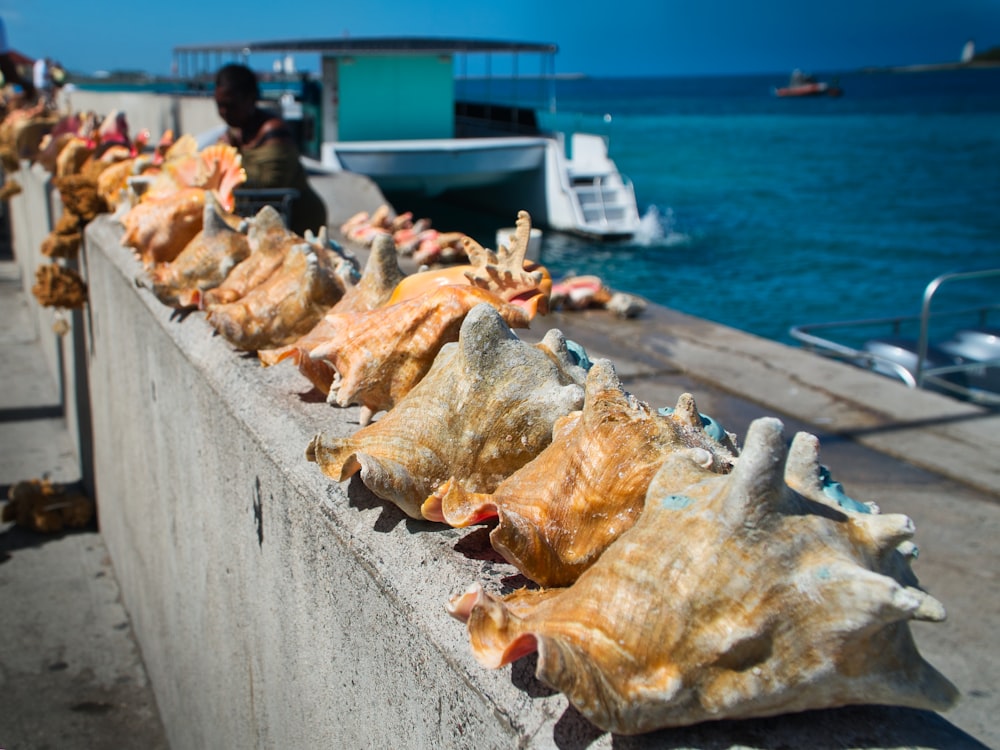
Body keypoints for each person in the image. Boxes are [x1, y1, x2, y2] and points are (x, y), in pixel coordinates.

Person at [213, 63, 326, 236]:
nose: (224, 112)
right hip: (268, 224)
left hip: (300, 222)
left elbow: (271, 181)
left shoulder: (273, 130)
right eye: (220, 105)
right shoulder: (235, 133)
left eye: (231, 105)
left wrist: (229, 161)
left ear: (250, 99)